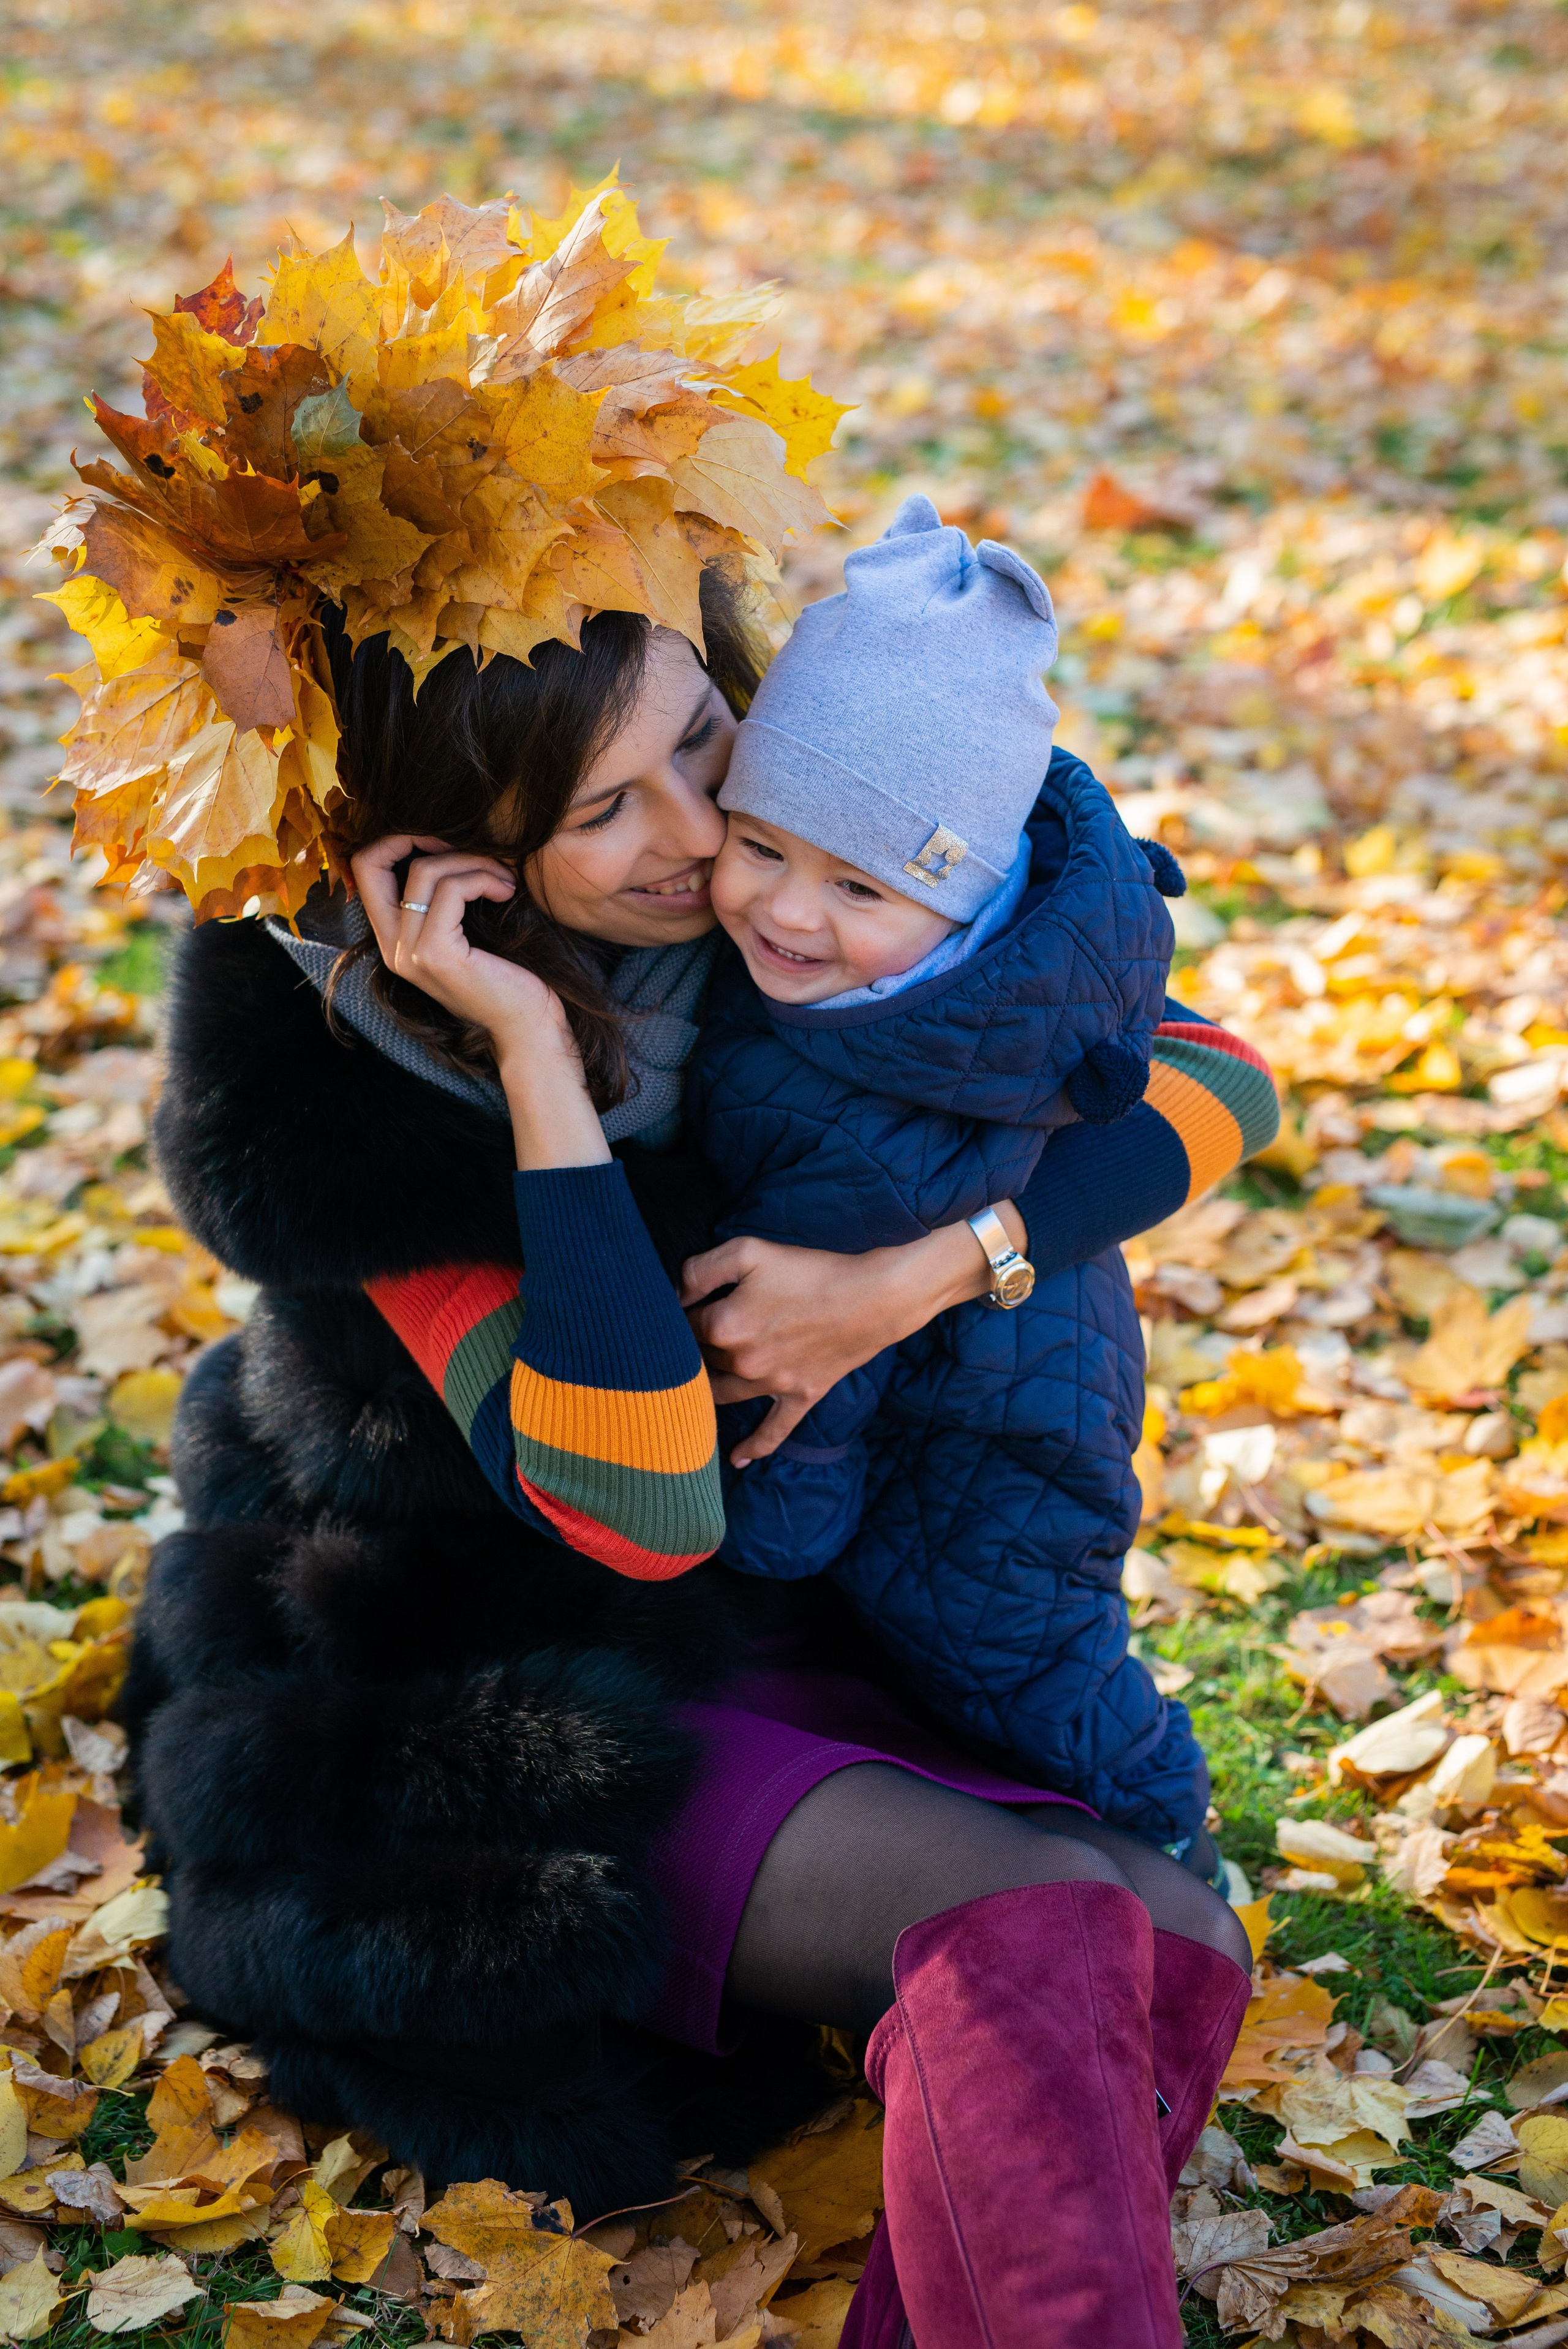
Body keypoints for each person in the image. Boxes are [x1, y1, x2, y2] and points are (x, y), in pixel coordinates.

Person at [48, 195, 1267, 2348]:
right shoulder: (382, 1086)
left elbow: (1207, 1077)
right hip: (500, 1706)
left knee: (1175, 1937)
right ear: (460, 866)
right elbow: (640, 1498)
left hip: (799, 1623)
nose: (703, 839)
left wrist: (920, 1274)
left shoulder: (788, 884)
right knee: (1045, 1929)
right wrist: (535, 1073)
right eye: (614, 813)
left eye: (701, 739)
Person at [684, 492, 1278, 1855]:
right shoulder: (975, 963)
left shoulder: (880, 1057)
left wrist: (770, 1530)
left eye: (854, 888)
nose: (784, 909)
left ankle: (1158, 1835)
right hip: (1003, 1385)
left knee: (1018, 1651)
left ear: (961, 897)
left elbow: (803, 1392)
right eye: (759, 846)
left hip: (998, 1422)